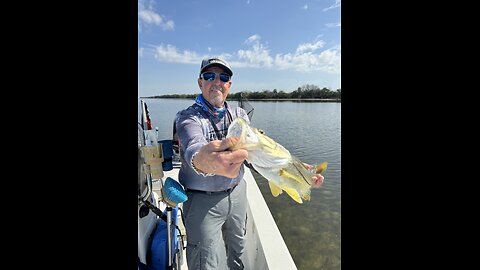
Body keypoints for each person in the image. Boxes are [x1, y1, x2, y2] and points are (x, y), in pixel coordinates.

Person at [175, 57, 324, 270]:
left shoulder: (239, 115)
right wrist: (203, 161)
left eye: (223, 77)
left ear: (229, 85)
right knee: (203, 260)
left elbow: (254, 155)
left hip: (237, 193)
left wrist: (299, 172)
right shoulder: (188, 117)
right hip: (202, 200)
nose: (217, 81)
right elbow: (193, 146)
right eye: (209, 76)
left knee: (238, 247)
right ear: (200, 83)